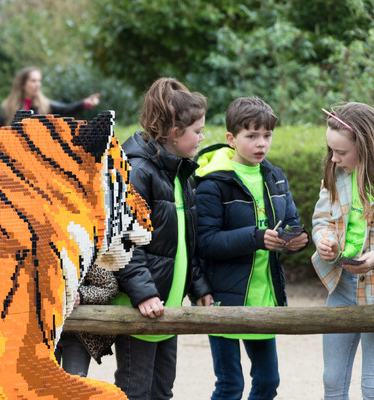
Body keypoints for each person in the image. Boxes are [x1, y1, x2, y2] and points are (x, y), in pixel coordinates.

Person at [195, 96, 309, 400]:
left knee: (268, 383)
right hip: (222, 301)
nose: (262, 143)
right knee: (230, 386)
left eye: (267, 135)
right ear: (231, 139)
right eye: (252, 136)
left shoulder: (276, 177)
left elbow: (292, 222)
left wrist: (296, 240)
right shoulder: (211, 183)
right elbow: (205, 243)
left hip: (266, 298)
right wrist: (256, 238)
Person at [111, 77, 213, 400]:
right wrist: (142, 293)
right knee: (134, 392)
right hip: (140, 306)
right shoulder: (138, 171)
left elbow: (186, 239)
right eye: (197, 131)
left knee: (162, 391)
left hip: (168, 305)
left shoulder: (181, 172)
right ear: (174, 133)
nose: (202, 137)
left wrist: (198, 287)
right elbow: (125, 238)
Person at [312, 102, 374, 400]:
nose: (334, 159)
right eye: (331, 151)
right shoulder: (335, 177)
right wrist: (325, 240)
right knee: (332, 380)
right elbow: (321, 220)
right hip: (342, 286)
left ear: (365, 145)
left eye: (341, 152)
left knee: (371, 385)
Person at [54, 264, 118, 377]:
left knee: (74, 389)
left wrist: (81, 295)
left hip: (78, 334)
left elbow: (110, 286)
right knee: (41, 389)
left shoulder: (81, 252)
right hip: (40, 333)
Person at [0, 66, 100, 128]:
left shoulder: (44, 105)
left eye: (39, 81)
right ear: (23, 84)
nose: (38, 84)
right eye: (33, 81)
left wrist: (84, 103)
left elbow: (65, 109)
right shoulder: (7, 107)